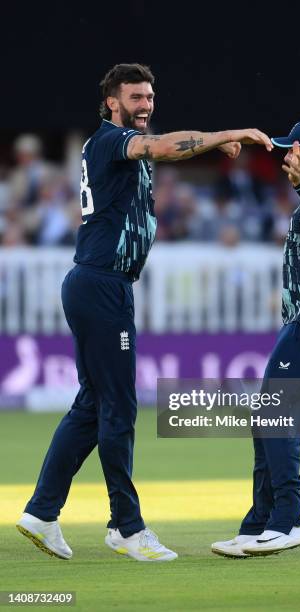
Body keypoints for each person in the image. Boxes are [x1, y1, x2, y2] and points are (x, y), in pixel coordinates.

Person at [16, 63, 272, 563]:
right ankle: (127, 528)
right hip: (101, 285)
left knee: (93, 405)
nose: (145, 105)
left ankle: (43, 512)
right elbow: (156, 146)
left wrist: (211, 145)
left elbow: (157, 151)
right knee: (119, 408)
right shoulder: (111, 139)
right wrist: (228, 133)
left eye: (150, 97)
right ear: (112, 102)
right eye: (135, 97)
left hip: (101, 283)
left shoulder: (118, 146)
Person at [212, 118, 300, 557]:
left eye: (292, 150)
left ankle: (288, 519)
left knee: (275, 417)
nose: (285, 157)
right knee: (269, 417)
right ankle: (260, 521)